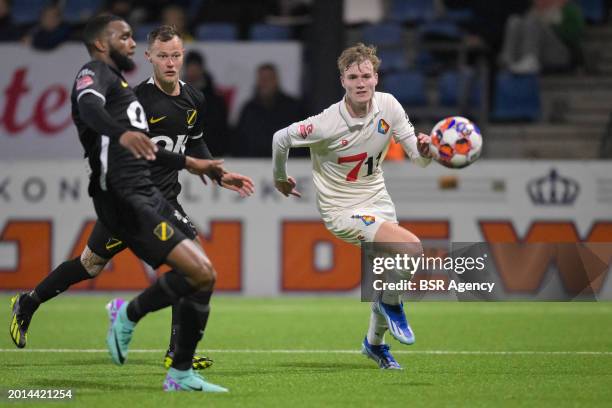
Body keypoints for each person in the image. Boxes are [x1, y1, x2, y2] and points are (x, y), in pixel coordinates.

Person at [9, 15, 251, 392]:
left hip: (162, 200)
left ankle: (176, 355)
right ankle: (30, 302)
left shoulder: (194, 99)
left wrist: (213, 169)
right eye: (163, 56)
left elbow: (193, 143)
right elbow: (110, 128)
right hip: (132, 202)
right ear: (151, 59)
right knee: (91, 266)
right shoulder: (134, 97)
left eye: (176, 55)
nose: (171, 62)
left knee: (194, 268)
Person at [272, 43, 432, 370]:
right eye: (353, 76)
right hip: (343, 211)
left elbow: (418, 158)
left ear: (376, 77)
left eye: (366, 75)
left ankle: (374, 345)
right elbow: (280, 138)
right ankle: (393, 308)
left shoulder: (388, 105)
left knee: (393, 278)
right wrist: (280, 177)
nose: (361, 82)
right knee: (412, 249)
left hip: (379, 203)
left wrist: (427, 150)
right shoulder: (325, 124)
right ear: (342, 81)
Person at [234, 63, 306, 157]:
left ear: (276, 80)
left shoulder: (293, 108)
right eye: (261, 79)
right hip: (253, 164)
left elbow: (302, 139)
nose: (265, 83)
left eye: (268, 79)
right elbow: (240, 141)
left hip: (287, 164)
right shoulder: (249, 109)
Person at [498, 0, 585, 74]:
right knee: (514, 20)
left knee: (533, 21)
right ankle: (507, 59)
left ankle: (530, 58)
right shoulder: (532, 10)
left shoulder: (569, 9)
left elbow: (575, 36)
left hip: (560, 54)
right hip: (536, 51)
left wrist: (552, 24)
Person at [183, 51, 230, 157]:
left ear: (201, 70)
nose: (193, 72)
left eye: (196, 68)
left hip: (211, 154)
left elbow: (221, 131)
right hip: (183, 156)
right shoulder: (175, 96)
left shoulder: (215, 100)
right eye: (190, 68)